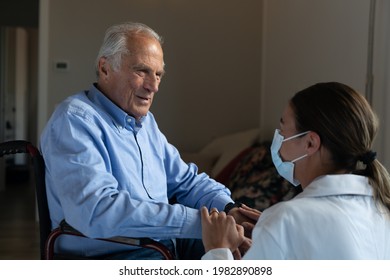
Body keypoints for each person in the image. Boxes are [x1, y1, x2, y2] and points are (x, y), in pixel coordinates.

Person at [40, 22, 253, 259]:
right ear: (105, 67)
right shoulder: (74, 120)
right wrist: (204, 224)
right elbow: (97, 211)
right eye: (142, 71)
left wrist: (228, 210)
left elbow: (187, 181)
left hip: (161, 246)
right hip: (114, 256)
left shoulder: (145, 123)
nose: (153, 86)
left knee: (250, 253)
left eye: (158, 74)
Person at [201, 82, 390, 260]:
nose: (278, 139)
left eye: (283, 129)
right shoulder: (380, 208)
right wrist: (273, 238)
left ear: (310, 143)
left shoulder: (287, 219)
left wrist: (218, 250)